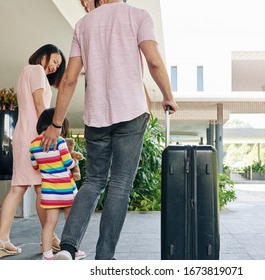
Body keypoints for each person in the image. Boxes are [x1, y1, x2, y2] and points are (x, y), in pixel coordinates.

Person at [41, 0, 179, 260]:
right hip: (131, 112)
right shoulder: (138, 15)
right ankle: (104, 258)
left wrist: (56, 124)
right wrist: (167, 95)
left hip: (96, 116)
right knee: (120, 184)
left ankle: (68, 247)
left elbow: (69, 79)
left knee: (93, 182)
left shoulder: (83, 24)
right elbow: (154, 62)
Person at [0, 44, 66, 259]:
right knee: (43, 188)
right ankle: (50, 238)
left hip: (23, 135)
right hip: (37, 136)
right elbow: (39, 103)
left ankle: (1, 241)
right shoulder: (36, 70)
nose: (54, 67)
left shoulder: (26, 71)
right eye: (54, 60)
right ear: (44, 54)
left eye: (57, 65)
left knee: (18, 188)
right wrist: (49, 131)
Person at [30, 108, 86, 260]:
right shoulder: (60, 141)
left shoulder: (33, 144)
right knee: (71, 220)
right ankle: (73, 250)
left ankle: (47, 255)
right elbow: (68, 163)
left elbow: (35, 166)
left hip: (49, 190)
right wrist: (76, 161)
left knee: (49, 223)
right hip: (66, 189)